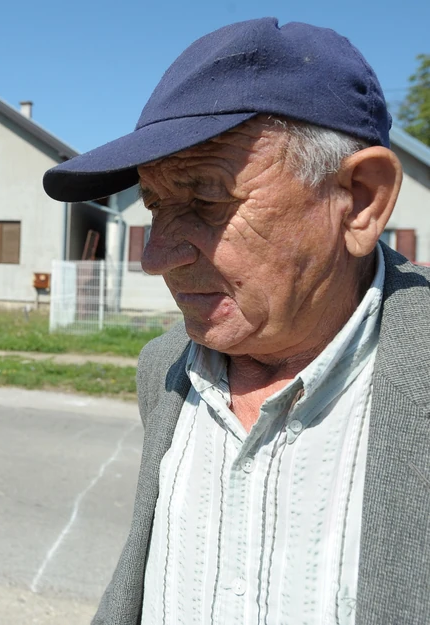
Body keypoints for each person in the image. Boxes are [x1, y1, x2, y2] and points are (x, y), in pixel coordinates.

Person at [41, 18, 430, 625]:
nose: (154, 257)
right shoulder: (165, 372)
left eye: (206, 201)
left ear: (359, 201)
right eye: (156, 206)